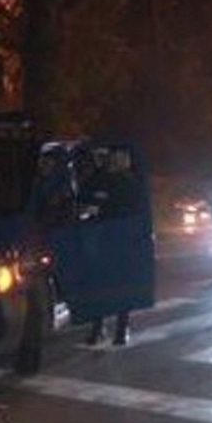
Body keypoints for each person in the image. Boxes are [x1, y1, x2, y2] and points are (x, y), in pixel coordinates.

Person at [77, 148, 136, 347]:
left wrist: (102, 206)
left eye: (106, 157)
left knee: (120, 284)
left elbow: (130, 207)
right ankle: (98, 328)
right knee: (99, 284)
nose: (102, 160)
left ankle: (122, 328)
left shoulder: (128, 181)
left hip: (119, 236)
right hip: (98, 235)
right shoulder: (97, 178)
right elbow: (84, 197)